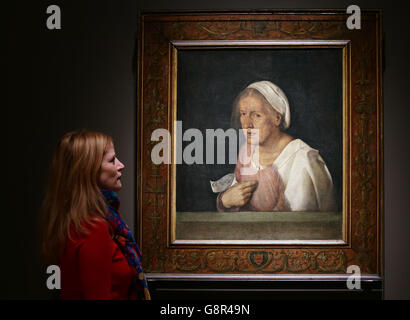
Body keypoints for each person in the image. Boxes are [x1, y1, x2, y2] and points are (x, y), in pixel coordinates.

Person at [41, 130, 150, 300]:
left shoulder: (71, 221)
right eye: (112, 160)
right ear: (88, 170)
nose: (121, 165)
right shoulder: (93, 228)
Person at [216, 80, 336, 212]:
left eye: (257, 115)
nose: (247, 124)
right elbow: (235, 199)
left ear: (277, 118)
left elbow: (302, 225)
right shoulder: (247, 152)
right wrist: (225, 200)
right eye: (243, 114)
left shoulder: (303, 158)